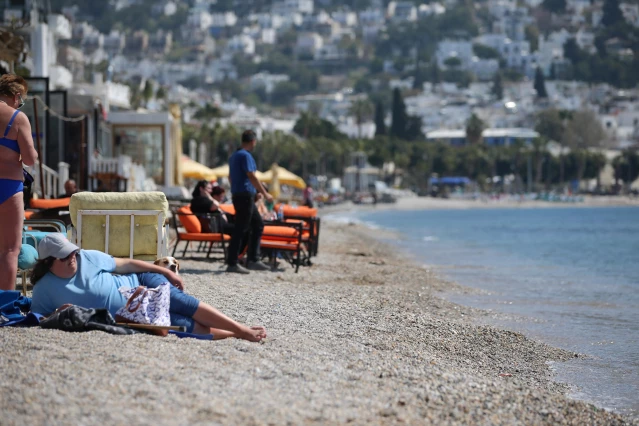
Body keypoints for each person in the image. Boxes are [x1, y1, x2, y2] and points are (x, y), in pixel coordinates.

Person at [30, 234, 267, 341]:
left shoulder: (87, 258)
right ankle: (238, 333)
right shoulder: (44, 290)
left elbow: (126, 263)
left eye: (72, 251)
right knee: (183, 326)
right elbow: (40, 318)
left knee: (182, 303)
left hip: (141, 281)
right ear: (49, 262)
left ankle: (243, 330)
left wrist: (162, 270)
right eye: (65, 256)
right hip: (133, 314)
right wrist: (58, 313)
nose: (72, 257)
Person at [0, 74, 38, 291]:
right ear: (16, 96)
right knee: (9, 251)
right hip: (8, 186)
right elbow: (30, 159)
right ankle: (4, 306)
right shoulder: (18, 118)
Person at [226, 130, 273, 274]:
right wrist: (264, 193)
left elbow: (230, 178)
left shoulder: (234, 156)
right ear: (252, 141)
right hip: (245, 196)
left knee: (257, 224)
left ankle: (253, 259)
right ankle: (233, 262)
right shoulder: (245, 156)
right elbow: (252, 176)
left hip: (240, 195)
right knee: (241, 228)